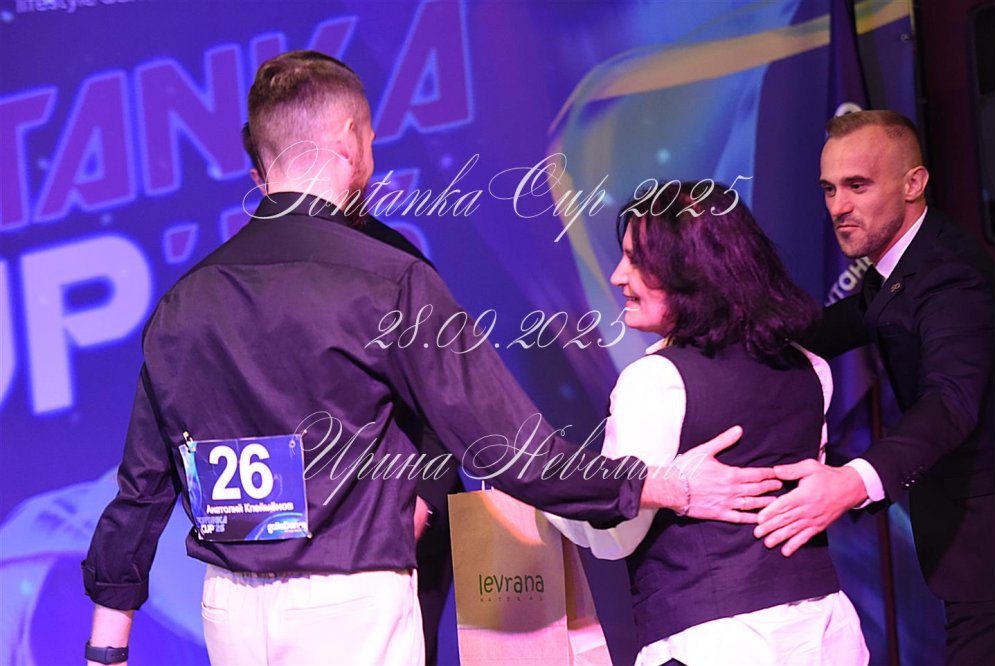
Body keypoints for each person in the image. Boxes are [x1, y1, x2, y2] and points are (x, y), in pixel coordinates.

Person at [82, 51, 781, 666]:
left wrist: (106, 645)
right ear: (351, 140)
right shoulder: (389, 279)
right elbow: (511, 451)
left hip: (228, 609)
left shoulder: (184, 300)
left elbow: (143, 484)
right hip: (348, 604)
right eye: (369, 140)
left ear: (262, 156)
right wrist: (661, 485)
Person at [547, 181, 869, 665]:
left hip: (714, 643)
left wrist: (546, 493)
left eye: (636, 261)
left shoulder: (655, 380)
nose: (617, 276)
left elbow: (615, 532)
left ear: (690, 270)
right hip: (824, 631)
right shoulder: (811, 368)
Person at [755, 110, 995, 663]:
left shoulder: (949, 276)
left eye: (857, 186)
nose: (838, 206)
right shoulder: (903, 264)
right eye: (829, 189)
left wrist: (852, 481)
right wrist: (736, 339)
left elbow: (952, 402)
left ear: (913, 183)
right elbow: (851, 320)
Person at [243, 120, 462, 665]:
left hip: (400, 524)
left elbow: (446, 398)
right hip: (296, 545)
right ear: (257, 179)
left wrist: (417, 506)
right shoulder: (243, 277)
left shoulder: (393, 265)